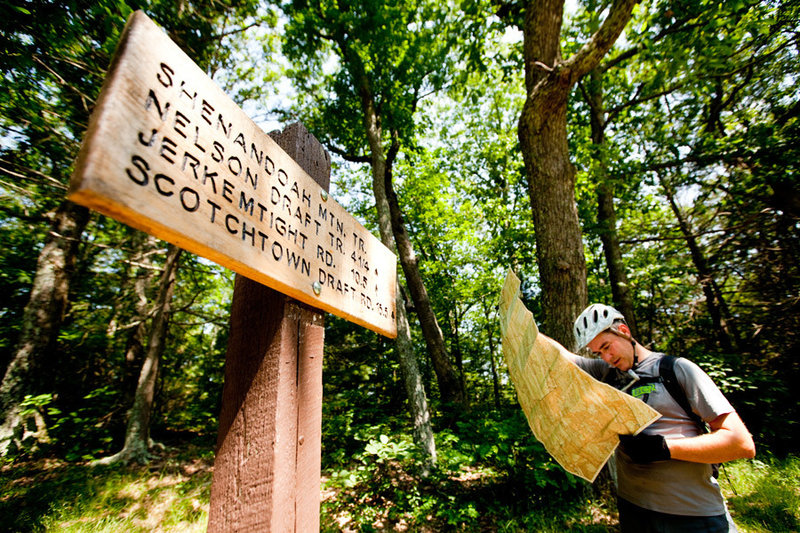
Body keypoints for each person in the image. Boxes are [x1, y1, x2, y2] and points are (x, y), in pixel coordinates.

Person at [569, 303, 756, 533]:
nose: (606, 357)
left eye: (607, 346)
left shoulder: (676, 369)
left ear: (624, 332)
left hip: (693, 515)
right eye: (598, 353)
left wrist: (664, 448)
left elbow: (742, 443)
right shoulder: (607, 374)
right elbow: (560, 358)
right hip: (634, 511)